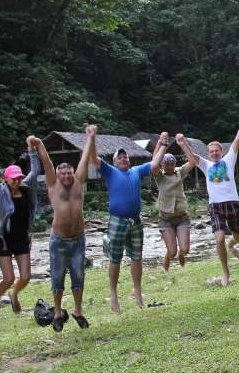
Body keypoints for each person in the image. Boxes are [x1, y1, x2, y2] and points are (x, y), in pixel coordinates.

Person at [91, 130, 168, 313]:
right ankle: (114, 294)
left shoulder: (136, 171)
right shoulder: (110, 171)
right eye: (120, 157)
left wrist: (163, 144)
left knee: (136, 257)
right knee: (115, 259)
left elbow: (155, 162)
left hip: (135, 221)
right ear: (114, 161)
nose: (123, 159)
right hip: (117, 221)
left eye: (125, 157)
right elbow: (93, 158)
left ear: (129, 160)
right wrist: (91, 138)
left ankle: (138, 291)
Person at [177, 113, 239, 285]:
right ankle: (226, 272)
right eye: (211, 151)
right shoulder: (205, 164)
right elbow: (193, 158)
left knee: (238, 238)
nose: (214, 153)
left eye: (216, 150)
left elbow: (238, 140)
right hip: (215, 206)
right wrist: (183, 143)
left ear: (221, 151)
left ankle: (232, 246)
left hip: (233, 203)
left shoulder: (229, 160)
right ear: (208, 154)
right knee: (218, 238)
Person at [34, 126, 95, 331]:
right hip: (58, 239)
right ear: (58, 175)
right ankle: (58, 311)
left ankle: (77, 310)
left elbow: (85, 159)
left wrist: (90, 137)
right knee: (57, 277)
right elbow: (47, 162)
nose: (67, 176)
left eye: (69, 172)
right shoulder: (52, 184)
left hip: (78, 239)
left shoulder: (78, 181)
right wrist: (39, 143)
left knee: (78, 276)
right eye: (64, 173)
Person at [0, 136, 42, 323]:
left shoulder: (27, 188)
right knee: (8, 278)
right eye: (13, 179)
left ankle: (14, 294)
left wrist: (31, 150)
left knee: (26, 277)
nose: (17, 181)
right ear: (5, 179)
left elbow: (36, 169)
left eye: (19, 178)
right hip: (4, 239)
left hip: (21, 238)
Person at [152, 134, 194, 271]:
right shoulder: (159, 176)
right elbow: (154, 162)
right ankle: (168, 255)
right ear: (162, 165)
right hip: (165, 219)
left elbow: (192, 162)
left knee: (185, 249)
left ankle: (182, 253)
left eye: (172, 164)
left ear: (175, 164)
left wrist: (183, 144)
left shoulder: (179, 172)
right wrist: (160, 143)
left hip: (182, 217)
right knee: (172, 252)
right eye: (166, 164)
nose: (169, 166)